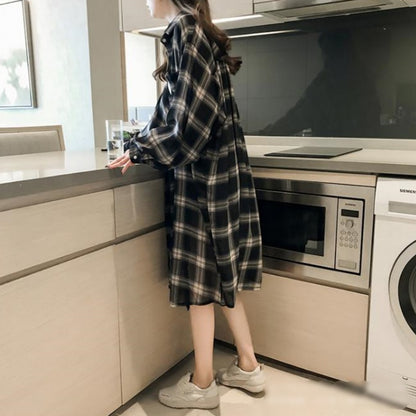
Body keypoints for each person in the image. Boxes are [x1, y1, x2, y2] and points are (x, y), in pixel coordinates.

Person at [108, 0, 264, 409]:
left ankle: (203, 383)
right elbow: (180, 112)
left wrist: (141, 149)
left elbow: (190, 125)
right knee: (222, 277)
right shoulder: (196, 30)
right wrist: (140, 144)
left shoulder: (185, 30)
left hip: (202, 181)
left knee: (200, 286)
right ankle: (248, 366)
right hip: (220, 176)